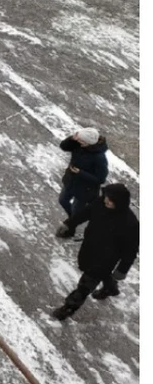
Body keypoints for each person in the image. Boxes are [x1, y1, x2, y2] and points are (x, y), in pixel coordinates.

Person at [51, 184, 139, 320]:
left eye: (111, 200)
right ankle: (110, 287)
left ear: (120, 202)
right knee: (100, 275)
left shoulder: (130, 223)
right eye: (106, 198)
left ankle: (68, 308)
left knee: (84, 286)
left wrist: (122, 270)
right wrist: (69, 223)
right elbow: (85, 213)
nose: (106, 201)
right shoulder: (100, 203)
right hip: (89, 249)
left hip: (105, 260)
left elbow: (130, 251)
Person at [55, 128, 109, 226]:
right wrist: (72, 138)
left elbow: (101, 179)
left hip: (85, 190)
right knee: (62, 200)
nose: (78, 141)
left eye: (81, 140)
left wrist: (80, 173)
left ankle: (71, 226)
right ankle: (73, 219)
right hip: (70, 181)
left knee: (76, 210)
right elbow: (63, 146)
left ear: (88, 142)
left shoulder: (99, 158)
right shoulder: (79, 145)